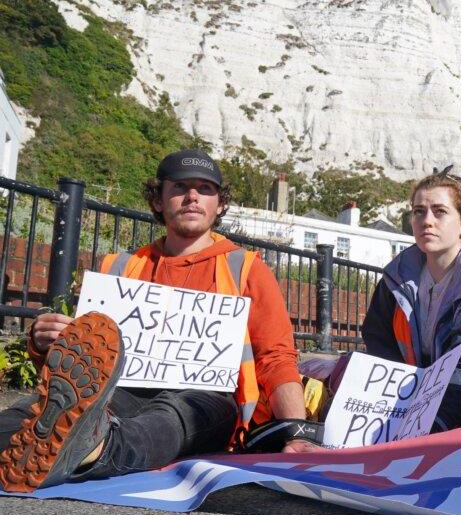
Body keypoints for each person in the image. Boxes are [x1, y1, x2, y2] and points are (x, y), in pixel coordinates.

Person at [0, 149, 314, 493]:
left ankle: (93, 449)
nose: (193, 197)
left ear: (219, 205)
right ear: (158, 200)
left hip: (206, 396)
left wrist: (295, 431)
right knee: (32, 412)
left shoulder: (247, 268)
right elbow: (82, 363)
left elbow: (276, 358)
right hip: (123, 389)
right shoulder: (117, 267)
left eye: (205, 189)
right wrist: (44, 341)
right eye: (180, 187)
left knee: (175, 416)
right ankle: (57, 444)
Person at [359, 167, 461, 431]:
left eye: (440, 211)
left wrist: (432, 428)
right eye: (418, 211)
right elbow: (380, 347)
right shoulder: (395, 280)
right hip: (418, 381)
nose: (427, 220)